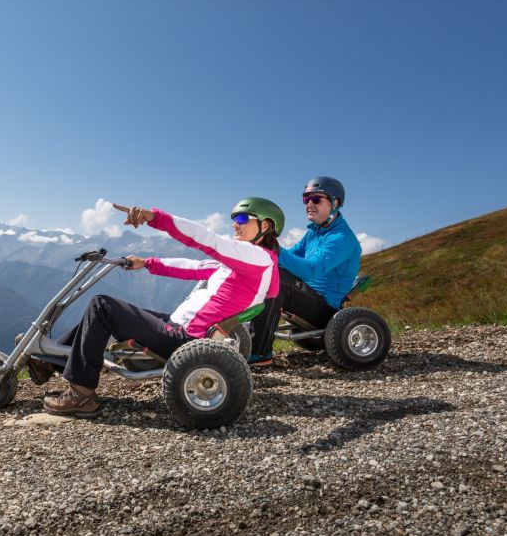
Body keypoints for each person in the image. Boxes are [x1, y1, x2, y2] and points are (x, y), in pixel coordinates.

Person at [42, 197, 285, 417]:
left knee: (102, 306)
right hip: (178, 326)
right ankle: (53, 359)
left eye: (242, 218)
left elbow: (208, 240)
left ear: (265, 226)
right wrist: (148, 263)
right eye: (233, 219)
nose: (235, 224)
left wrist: (155, 218)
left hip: (184, 338)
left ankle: (82, 394)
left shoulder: (257, 257)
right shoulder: (246, 263)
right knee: (104, 313)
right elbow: (193, 268)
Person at [249, 176, 361, 365]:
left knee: (278, 279)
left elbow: (311, 271)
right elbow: (287, 258)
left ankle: (259, 354)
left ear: (335, 203)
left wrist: (274, 249)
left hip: (325, 308)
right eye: (306, 199)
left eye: (316, 199)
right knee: (267, 272)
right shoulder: (313, 233)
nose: (309, 204)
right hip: (309, 297)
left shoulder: (341, 238)